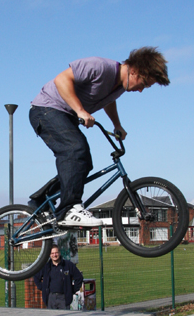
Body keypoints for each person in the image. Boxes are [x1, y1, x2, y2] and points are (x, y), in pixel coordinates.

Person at [29, 47, 170, 227]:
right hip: (46, 110)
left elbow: (109, 101)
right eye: (144, 84)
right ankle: (68, 209)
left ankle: (41, 200)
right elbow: (61, 79)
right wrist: (80, 111)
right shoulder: (100, 67)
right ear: (134, 71)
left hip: (65, 116)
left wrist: (117, 125)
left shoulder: (118, 87)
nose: (141, 90)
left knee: (84, 163)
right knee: (74, 149)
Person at [34, 244, 83, 310]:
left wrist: (72, 290)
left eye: (56, 253)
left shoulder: (68, 265)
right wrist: (43, 288)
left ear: (59, 253)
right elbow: (36, 277)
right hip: (51, 297)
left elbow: (79, 277)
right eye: (52, 253)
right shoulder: (46, 267)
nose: (54, 255)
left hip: (64, 298)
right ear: (49, 255)